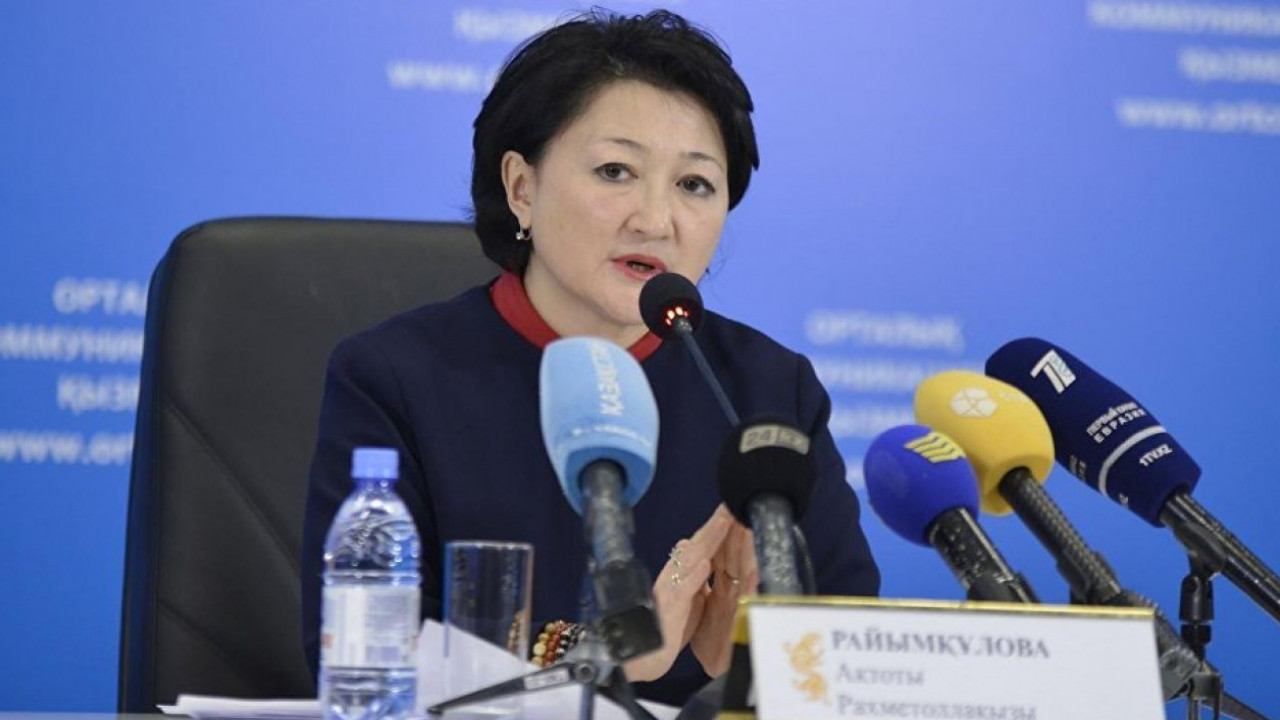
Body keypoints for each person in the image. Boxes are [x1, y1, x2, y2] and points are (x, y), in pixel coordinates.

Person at [301, 8, 879, 706]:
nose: (655, 220)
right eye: (615, 171)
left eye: (694, 184)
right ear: (522, 187)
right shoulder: (395, 378)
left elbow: (852, 661)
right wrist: (605, 653)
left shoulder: (766, 391)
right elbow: (365, 664)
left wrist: (765, 647)